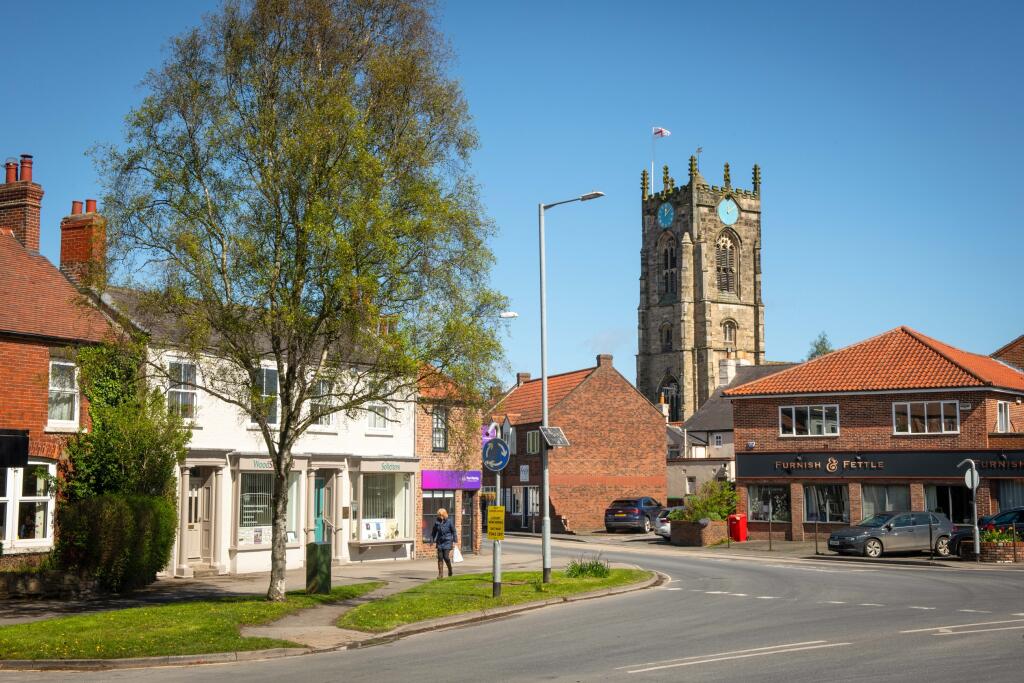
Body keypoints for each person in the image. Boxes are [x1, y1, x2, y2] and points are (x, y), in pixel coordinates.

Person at [430, 508, 458, 578]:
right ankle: (440, 574)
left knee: (446, 557)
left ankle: (450, 570)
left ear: (444, 514)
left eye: (441, 515)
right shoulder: (437, 522)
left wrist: (455, 540)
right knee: (440, 558)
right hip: (440, 542)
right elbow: (434, 532)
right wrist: (431, 540)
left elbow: (454, 531)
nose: (440, 516)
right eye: (439, 515)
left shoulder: (449, 522)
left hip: (447, 541)